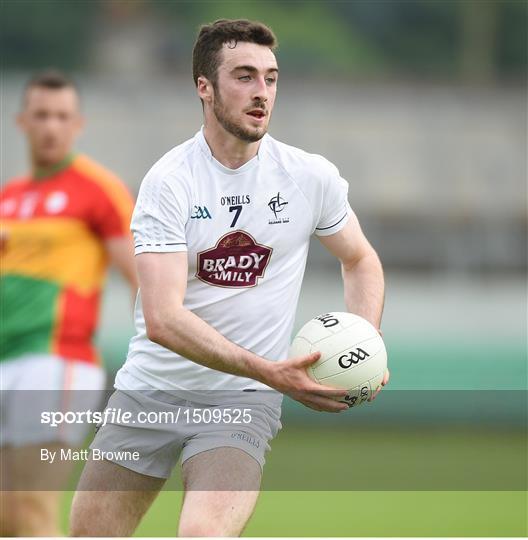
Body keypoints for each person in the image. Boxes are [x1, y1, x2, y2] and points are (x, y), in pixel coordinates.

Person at [70, 19, 389, 537]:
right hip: (149, 393)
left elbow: (361, 260)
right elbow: (163, 319)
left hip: (241, 403)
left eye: (271, 77)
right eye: (244, 76)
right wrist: (269, 370)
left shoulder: (310, 177)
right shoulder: (169, 183)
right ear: (205, 87)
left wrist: (365, 339)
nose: (261, 92)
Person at [0, 70, 138, 536]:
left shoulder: (96, 190)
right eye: (41, 115)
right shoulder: (7, 198)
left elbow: (144, 281)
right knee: (6, 520)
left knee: (31, 515)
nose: (51, 126)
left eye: (62, 116)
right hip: (5, 360)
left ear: (77, 124)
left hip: (57, 362)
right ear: (22, 121)